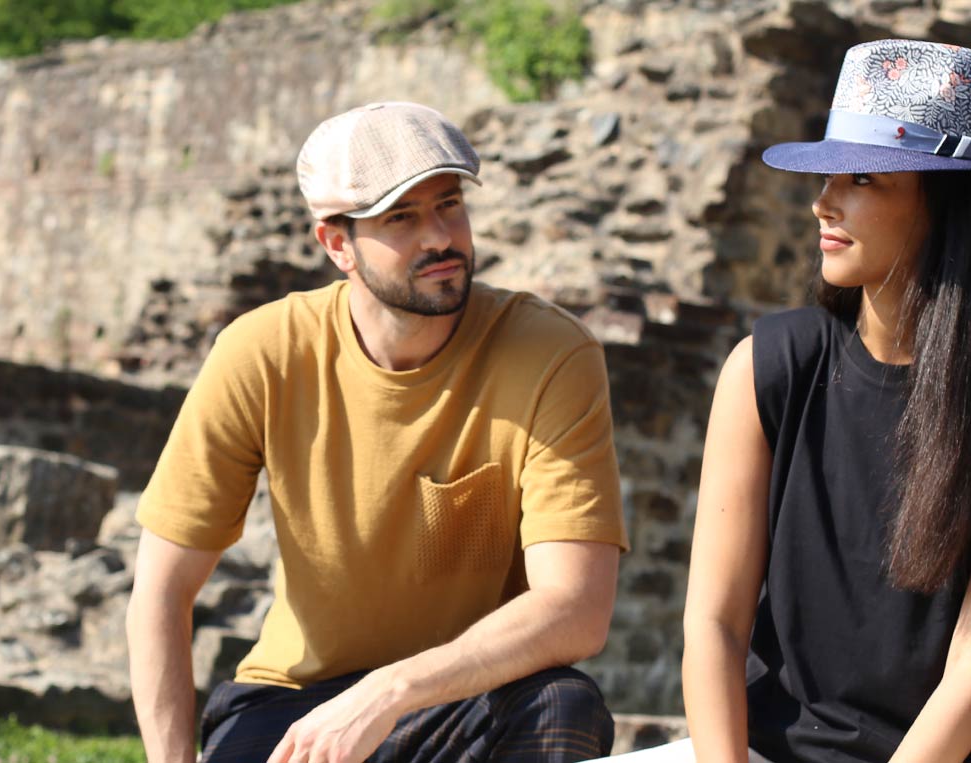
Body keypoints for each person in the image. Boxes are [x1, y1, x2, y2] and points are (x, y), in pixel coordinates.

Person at [596, 40, 971, 762]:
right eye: (828, 174)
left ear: (951, 207)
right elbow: (714, 625)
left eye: (861, 177)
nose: (822, 202)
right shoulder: (769, 367)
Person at [126, 101, 629, 763]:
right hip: (292, 700)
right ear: (337, 244)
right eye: (401, 217)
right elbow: (162, 589)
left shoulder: (552, 354)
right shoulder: (263, 352)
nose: (440, 238)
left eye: (450, 205)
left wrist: (389, 692)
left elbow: (576, 607)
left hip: (463, 697)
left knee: (562, 705)